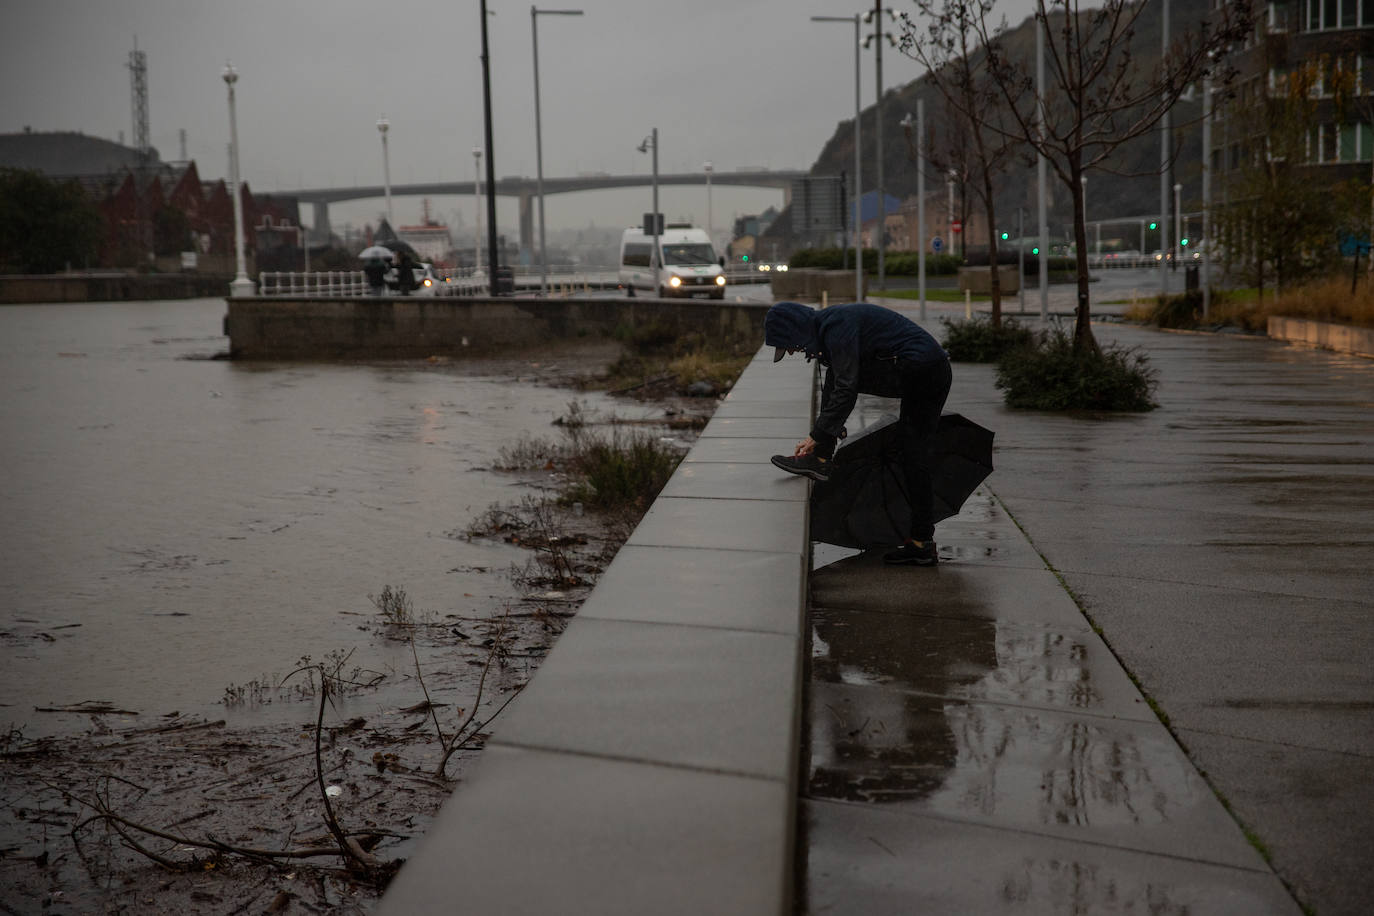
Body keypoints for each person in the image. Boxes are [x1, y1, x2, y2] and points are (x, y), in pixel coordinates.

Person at [765, 301, 952, 566]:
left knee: (913, 454)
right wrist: (830, 424)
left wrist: (818, 433)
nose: (794, 351)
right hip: (920, 369)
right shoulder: (830, 327)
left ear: (795, 329)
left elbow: (847, 386)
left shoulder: (836, 326)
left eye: (790, 345)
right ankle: (821, 459)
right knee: (839, 378)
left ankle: (922, 543)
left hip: (923, 371)